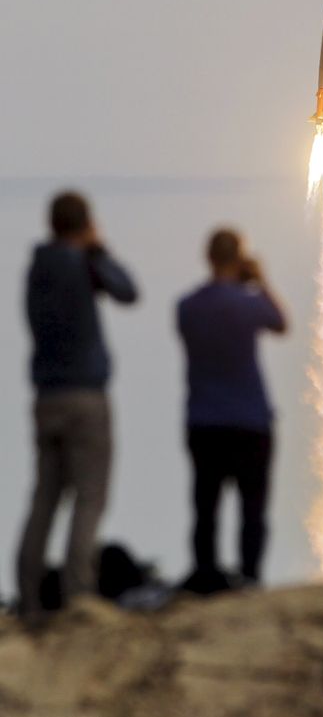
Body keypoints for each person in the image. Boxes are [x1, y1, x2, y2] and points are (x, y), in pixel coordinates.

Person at [17, 191, 139, 621]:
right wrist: (99, 249)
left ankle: (29, 595)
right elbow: (127, 291)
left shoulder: (37, 266)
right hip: (85, 395)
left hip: (45, 395)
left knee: (45, 498)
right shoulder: (83, 264)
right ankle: (77, 594)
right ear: (83, 224)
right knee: (89, 497)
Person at [177, 229, 288, 592]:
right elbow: (280, 322)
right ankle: (250, 577)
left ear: (208, 258)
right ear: (239, 259)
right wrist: (260, 280)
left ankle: (206, 574)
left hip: (204, 420)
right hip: (250, 421)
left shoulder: (188, 306)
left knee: (205, 508)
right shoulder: (248, 304)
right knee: (252, 509)